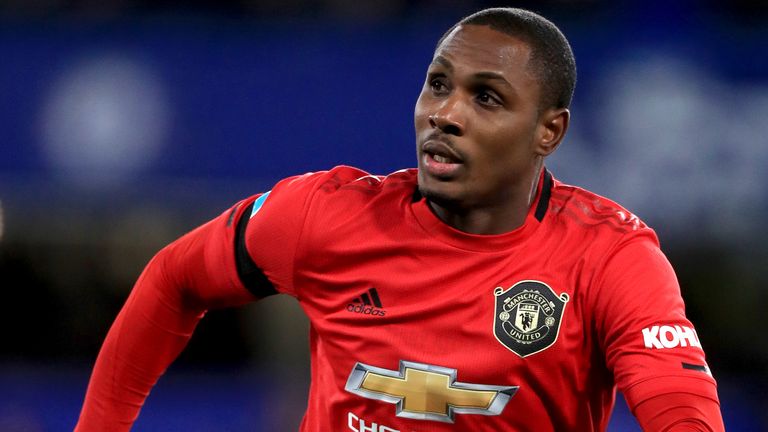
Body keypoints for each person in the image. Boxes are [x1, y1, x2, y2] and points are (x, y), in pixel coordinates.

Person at [76, 7, 725, 431]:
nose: (446, 113)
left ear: (547, 132)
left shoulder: (609, 257)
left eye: (487, 97)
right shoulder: (324, 217)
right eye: (438, 84)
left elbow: (680, 411)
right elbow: (175, 280)